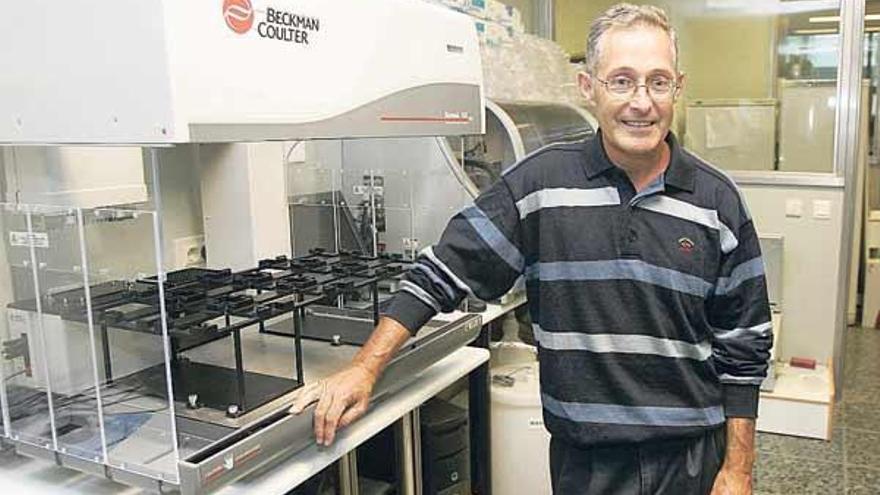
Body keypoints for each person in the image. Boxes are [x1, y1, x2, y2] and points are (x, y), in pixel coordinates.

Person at [290, 4, 772, 494]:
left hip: (690, 460)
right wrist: (364, 367)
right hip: (586, 466)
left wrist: (738, 469)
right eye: (621, 81)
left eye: (658, 82)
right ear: (589, 88)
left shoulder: (717, 201)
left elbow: (745, 346)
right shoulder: (538, 186)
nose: (641, 102)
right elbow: (442, 270)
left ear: (678, 88)